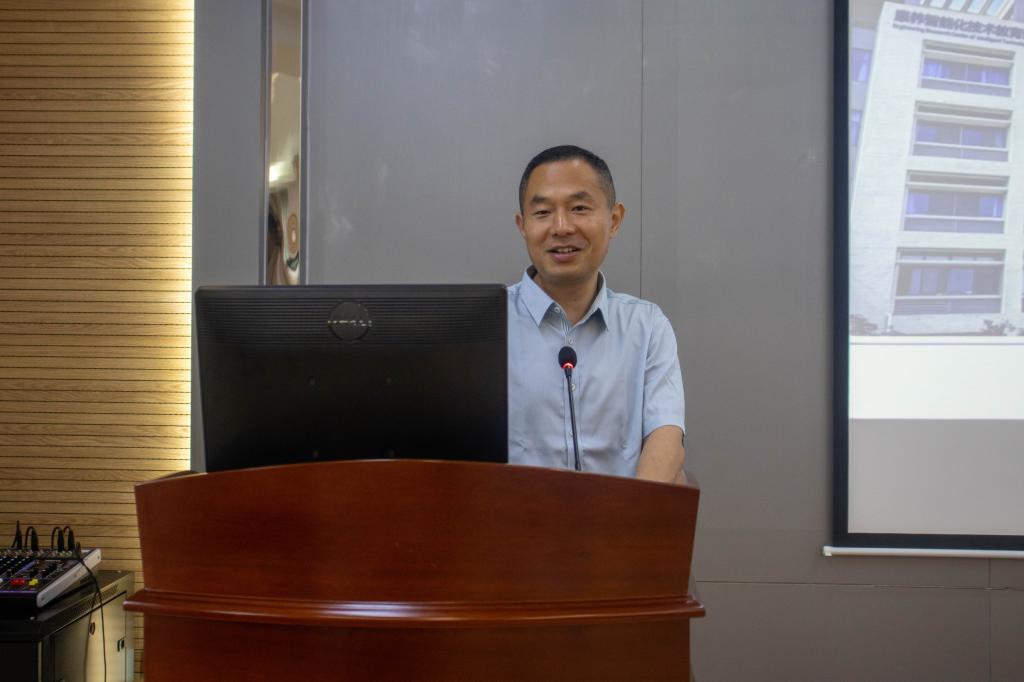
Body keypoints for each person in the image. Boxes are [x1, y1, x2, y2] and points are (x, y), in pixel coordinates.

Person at [508, 145, 686, 484]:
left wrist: (633, 513)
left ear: (614, 219)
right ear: (522, 225)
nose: (561, 227)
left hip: (624, 515)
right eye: (543, 212)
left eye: (579, 208)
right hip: (509, 517)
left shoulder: (646, 327)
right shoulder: (487, 324)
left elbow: (666, 437)